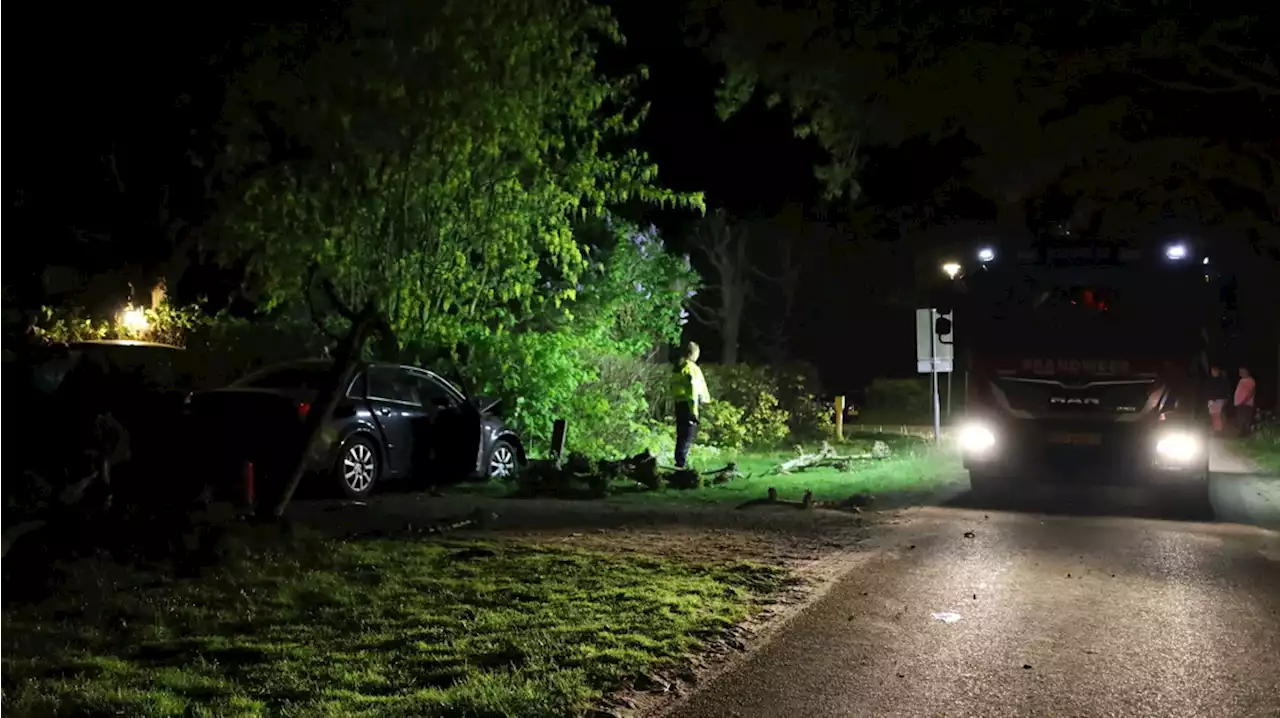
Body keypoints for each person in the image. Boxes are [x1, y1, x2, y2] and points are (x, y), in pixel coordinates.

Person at [670, 342, 711, 468]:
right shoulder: (691, 368)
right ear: (693, 353)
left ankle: (679, 461)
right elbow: (692, 390)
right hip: (689, 405)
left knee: (681, 434)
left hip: (679, 403)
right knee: (687, 435)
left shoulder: (678, 367)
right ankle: (682, 463)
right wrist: (694, 411)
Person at [1234, 366, 1257, 437]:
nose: (1240, 373)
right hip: (1240, 403)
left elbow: (1252, 392)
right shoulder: (1241, 380)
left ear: (1247, 372)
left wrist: (1245, 400)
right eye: (1240, 372)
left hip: (1245, 403)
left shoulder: (1250, 380)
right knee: (1241, 419)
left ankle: (1246, 433)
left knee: (1246, 418)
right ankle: (1242, 433)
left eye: (1242, 371)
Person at [1207, 365, 1229, 434]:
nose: (1214, 372)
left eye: (1215, 371)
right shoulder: (1209, 380)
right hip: (1211, 400)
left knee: (1218, 415)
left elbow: (1225, 390)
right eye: (1213, 371)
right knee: (1213, 415)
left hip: (1219, 399)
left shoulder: (1222, 380)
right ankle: (1215, 429)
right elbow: (1207, 390)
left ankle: (1219, 430)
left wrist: (1225, 398)